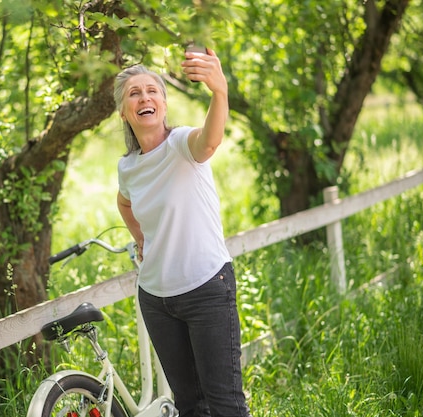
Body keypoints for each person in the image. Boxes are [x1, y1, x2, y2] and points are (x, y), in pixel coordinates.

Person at [113, 49, 251, 417]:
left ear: (163, 102)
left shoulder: (181, 144)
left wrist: (219, 92)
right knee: (190, 406)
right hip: (156, 299)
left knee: (225, 404)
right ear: (124, 112)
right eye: (134, 94)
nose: (145, 98)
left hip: (206, 288)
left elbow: (209, 141)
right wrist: (141, 239)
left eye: (152, 91)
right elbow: (124, 204)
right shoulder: (127, 167)